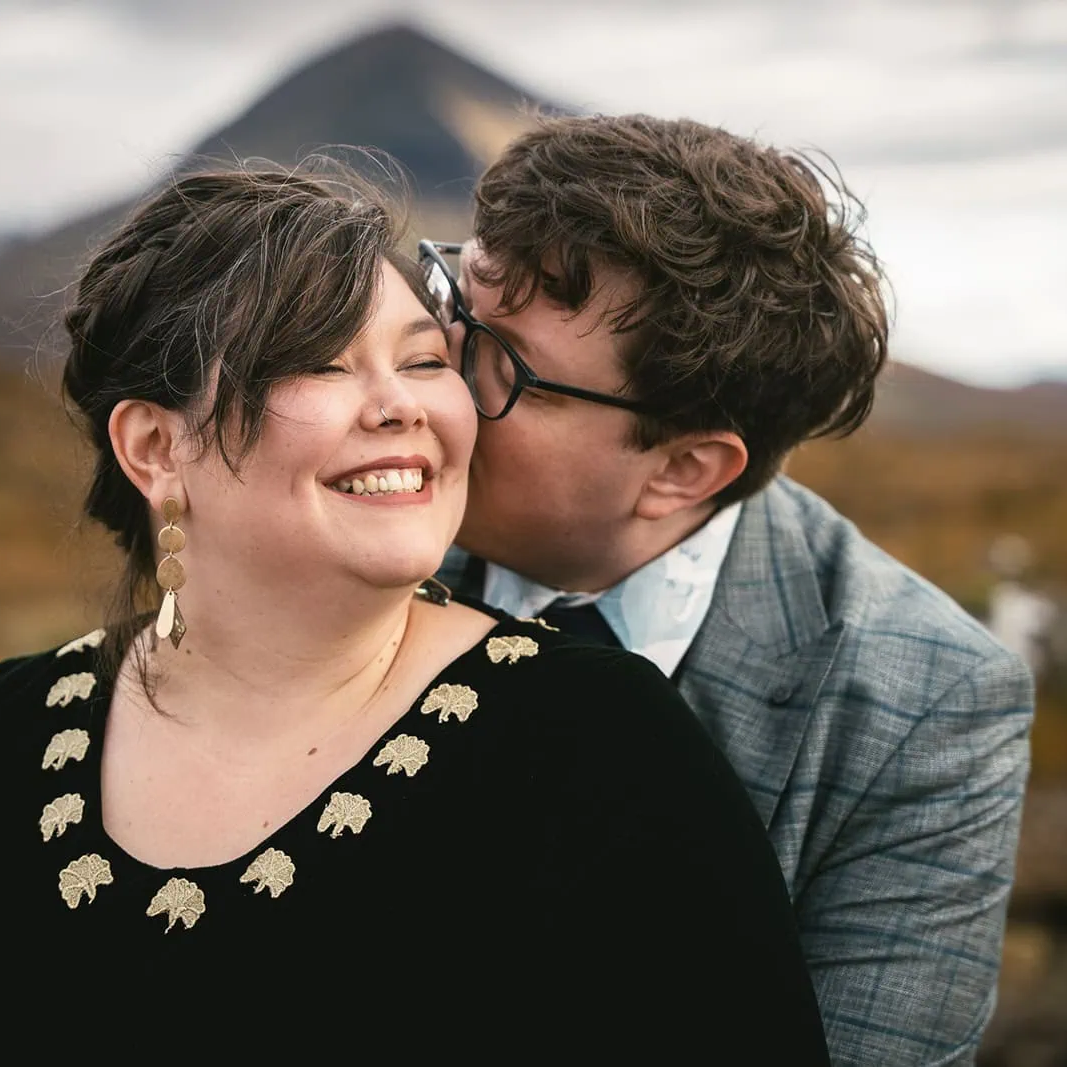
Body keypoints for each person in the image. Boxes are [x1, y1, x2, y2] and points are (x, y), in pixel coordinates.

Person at [0, 167, 830, 1060]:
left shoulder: (602, 751)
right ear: (155, 449)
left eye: (421, 359)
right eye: (316, 362)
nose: (400, 401)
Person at [425, 114, 1035, 1067]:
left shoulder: (927, 703)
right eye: (453, 315)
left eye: (510, 371)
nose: (434, 389)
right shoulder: (357, 533)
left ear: (684, 468)